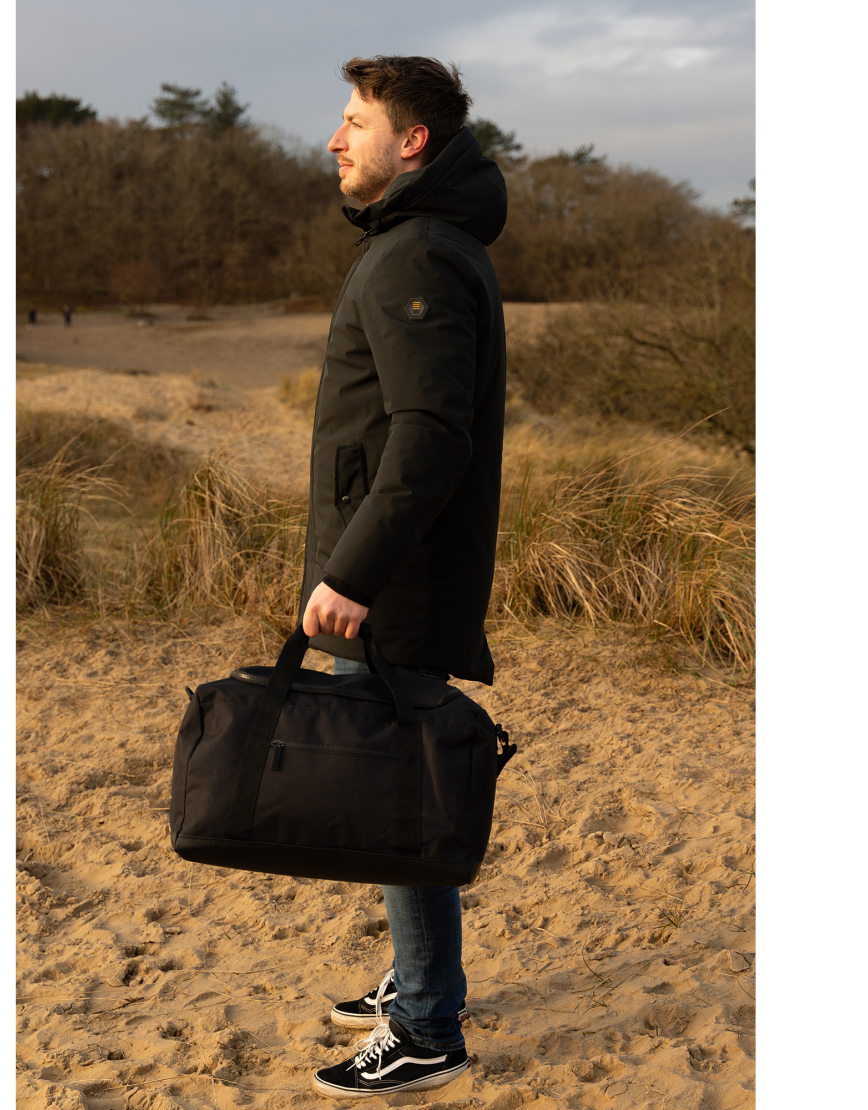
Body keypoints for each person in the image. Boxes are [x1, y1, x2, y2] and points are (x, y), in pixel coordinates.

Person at [298, 55, 507, 1098]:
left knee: (398, 801)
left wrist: (353, 574)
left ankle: (427, 1025)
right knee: (396, 790)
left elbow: (428, 439)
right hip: (399, 578)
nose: (335, 140)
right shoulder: (417, 241)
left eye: (355, 121)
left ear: (411, 141)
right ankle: (420, 980)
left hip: (397, 587)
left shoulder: (417, 252)